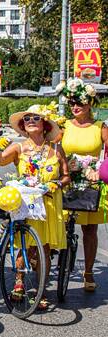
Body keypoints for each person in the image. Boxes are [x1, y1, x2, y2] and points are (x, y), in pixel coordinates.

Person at [0, 105, 69, 308]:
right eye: (27, 119)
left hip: (48, 204)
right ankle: (19, 283)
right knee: (24, 245)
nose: (31, 121)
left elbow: (66, 175)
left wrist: (57, 183)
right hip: (26, 204)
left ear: (44, 124)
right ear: (23, 126)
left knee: (43, 249)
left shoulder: (56, 148)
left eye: (36, 118)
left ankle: (41, 290)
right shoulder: (19, 147)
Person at [56, 78, 108, 292]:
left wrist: (99, 170)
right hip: (68, 180)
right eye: (71, 103)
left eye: (79, 102)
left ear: (89, 104)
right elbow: (50, 147)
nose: (75, 107)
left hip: (90, 181)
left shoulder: (100, 127)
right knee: (60, 224)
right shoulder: (63, 125)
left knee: (89, 229)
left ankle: (87, 272)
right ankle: (56, 264)